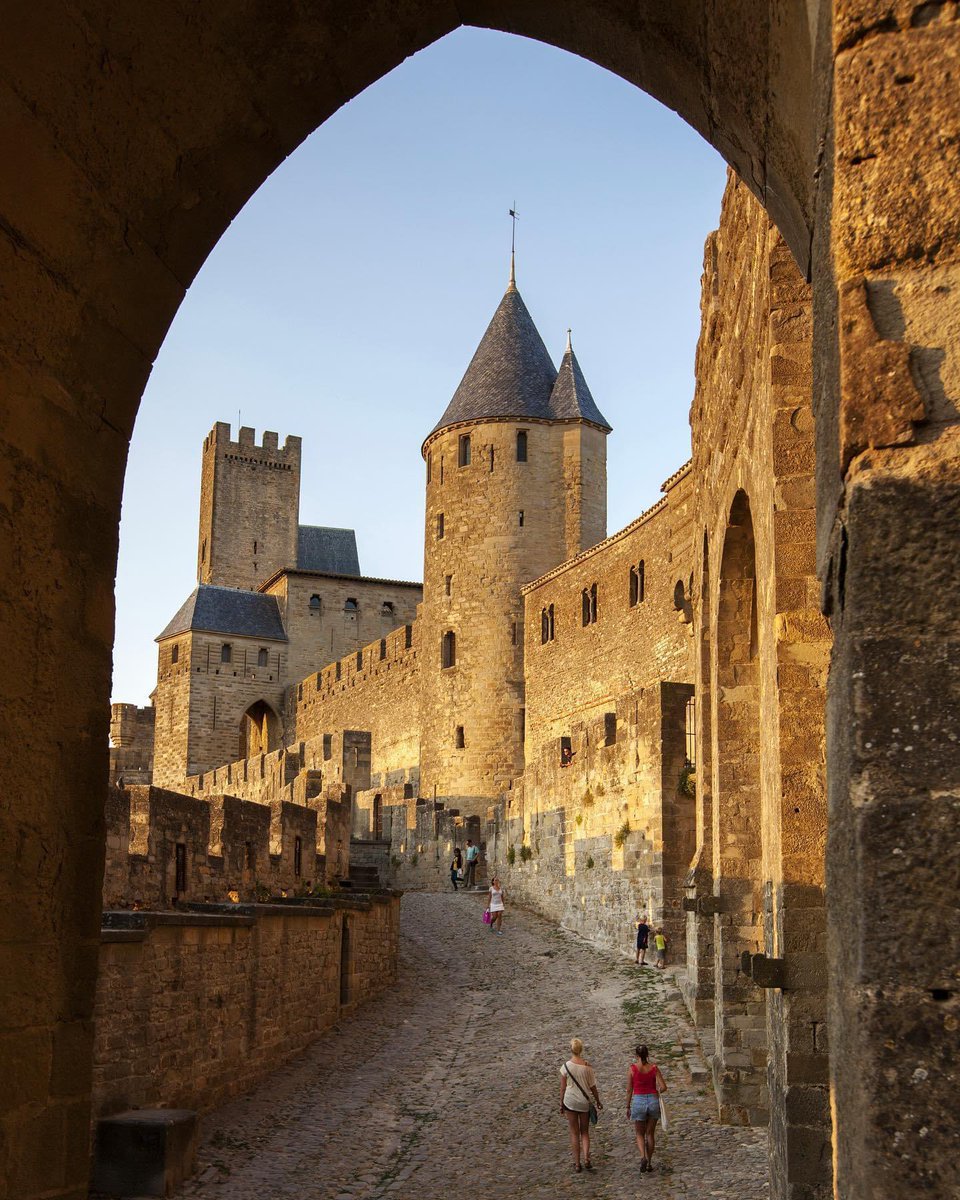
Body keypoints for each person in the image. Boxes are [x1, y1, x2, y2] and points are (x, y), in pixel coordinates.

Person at [559, 1037, 603, 1172]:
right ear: (581, 1050)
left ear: (571, 1050)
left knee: (574, 1133)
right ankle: (586, 1158)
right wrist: (598, 1101)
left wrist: (561, 1104)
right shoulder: (587, 1067)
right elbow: (593, 1087)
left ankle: (577, 1164)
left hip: (570, 1101)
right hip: (583, 1102)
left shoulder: (565, 1067)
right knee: (585, 1132)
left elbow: (562, 1088)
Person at [626, 1043, 666, 1173]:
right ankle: (649, 1163)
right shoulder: (654, 1068)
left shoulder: (632, 1069)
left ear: (636, 1055)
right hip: (653, 1101)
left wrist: (627, 1106)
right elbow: (663, 1086)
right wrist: (657, 1091)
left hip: (638, 1101)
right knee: (650, 1134)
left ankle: (642, 1156)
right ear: (647, 1055)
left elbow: (629, 1090)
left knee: (639, 1133)